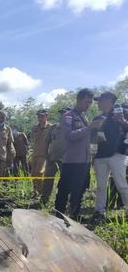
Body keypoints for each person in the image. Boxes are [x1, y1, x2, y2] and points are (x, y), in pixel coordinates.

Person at [54, 88, 102, 218]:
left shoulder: (84, 117)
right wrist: (89, 128)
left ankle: (74, 216)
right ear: (79, 100)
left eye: (90, 102)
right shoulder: (68, 116)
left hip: (84, 161)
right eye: (87, 102)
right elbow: (69, 136)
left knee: (79, 191)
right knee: (64, 191)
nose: (89, 105)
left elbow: (84, 137)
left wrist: (96, 139)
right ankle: (58, 217)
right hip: (72, 161)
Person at [91, 92, 128, 222]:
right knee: (101, 186)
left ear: (108, 100)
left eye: (100, 100)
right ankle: (99, 212)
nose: (98, 103)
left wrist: (122, 121)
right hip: (100, 156)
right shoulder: (97, 118)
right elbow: (92, 138)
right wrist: (95, 139)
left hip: (117, 154)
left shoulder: (122, 112)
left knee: (121, 184)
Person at [40, 107, 70, 205]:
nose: (62, 115)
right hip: (52, 158)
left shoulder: (73, 128)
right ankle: (44, 199)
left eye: (65, 113)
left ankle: (64, 201)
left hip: (67, 160)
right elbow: (46, 141)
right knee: (48, 179)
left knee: (65, 181)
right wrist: (45, 154)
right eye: (61, 114)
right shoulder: (53, 127)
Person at [31, 109, 51, 196]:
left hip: (44, 154)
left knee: (39, 172)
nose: (40, 118)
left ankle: (41, 192)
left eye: (42, 116)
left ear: (47, 116)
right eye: (39, 116)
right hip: (35, 153)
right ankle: (35, 191)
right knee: (33, 174)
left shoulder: (51, 127)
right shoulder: (35, 127)